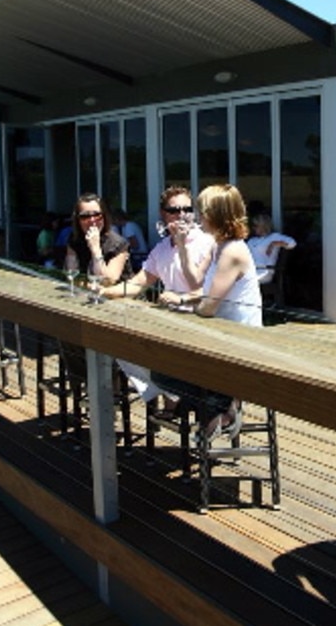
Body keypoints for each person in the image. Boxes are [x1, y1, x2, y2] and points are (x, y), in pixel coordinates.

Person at [100, 186, 216, 417]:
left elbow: (211, 291)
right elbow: (138, 283)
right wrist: (102, 292)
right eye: (175, 210)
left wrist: (181, 298)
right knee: (121, 345)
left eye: (187, 209)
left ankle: (179, 396)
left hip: (202, 323)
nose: (182, 215)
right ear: (164, 214)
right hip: (171, 323)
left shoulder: (207, 243)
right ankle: (171, 393)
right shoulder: (162, 248)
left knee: (152, 351)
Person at [173, 184, 264, 440]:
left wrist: (183, 301)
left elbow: (208, 306)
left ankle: (220, 409)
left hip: (238, 342)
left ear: (217, 216)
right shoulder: (218, 246)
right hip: (221, 336)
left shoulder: (233, 251)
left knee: (171, 365)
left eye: (202, 211)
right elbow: (194, 282)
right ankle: (214, 406)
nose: (197, 217)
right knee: (166, 365)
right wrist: (181, 246)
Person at [63, 193, 129, 284]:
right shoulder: (74, 240)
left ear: (104, 217)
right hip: (88, 294)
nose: (92, 220)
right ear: (78, 220)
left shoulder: (118, 243)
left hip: (120, 295)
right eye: (85, 216)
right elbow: (71, 275)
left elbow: (107, 282)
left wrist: (95, 249)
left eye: (97, 215)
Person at [246, 213, 296, 285]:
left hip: (264, 271)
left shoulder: (273, 237)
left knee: (245, 283)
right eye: (253, 226)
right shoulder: (252, 240)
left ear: (263, 226)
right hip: (250, 271)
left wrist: (274, 244)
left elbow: (292, 243)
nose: (254, 228)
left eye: (256, 226)